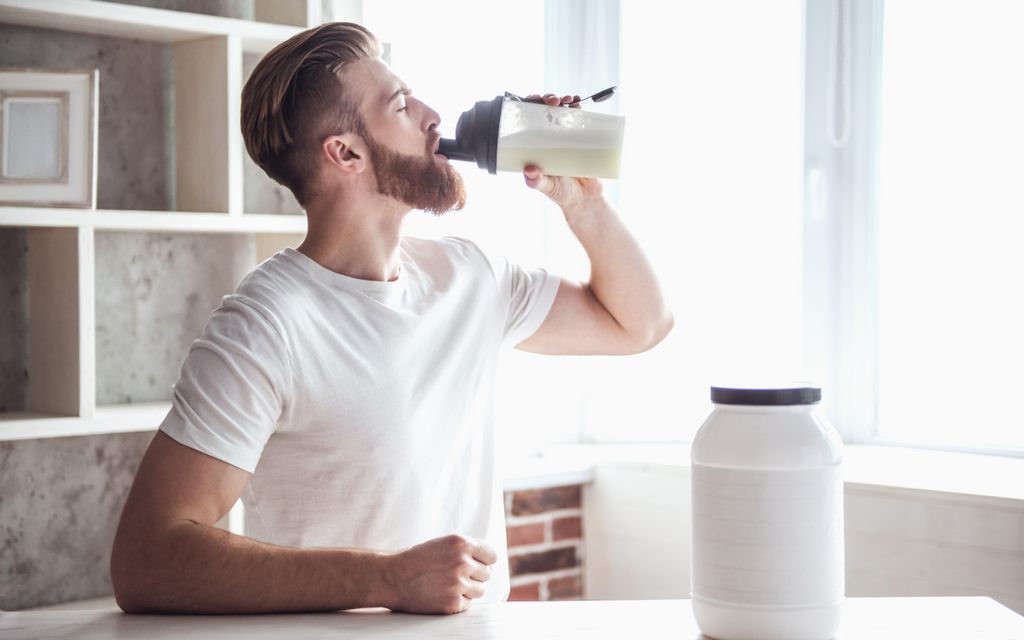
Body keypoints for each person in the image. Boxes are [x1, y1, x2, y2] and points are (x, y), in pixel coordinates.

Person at [110, 22, 672, 615]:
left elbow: (640, 325)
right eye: (402, 105)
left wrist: (582, 202)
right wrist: (385, 580)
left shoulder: (471, 275)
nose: (432, 116)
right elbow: (147, 558)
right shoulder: (265, 328)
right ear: (345, 152)